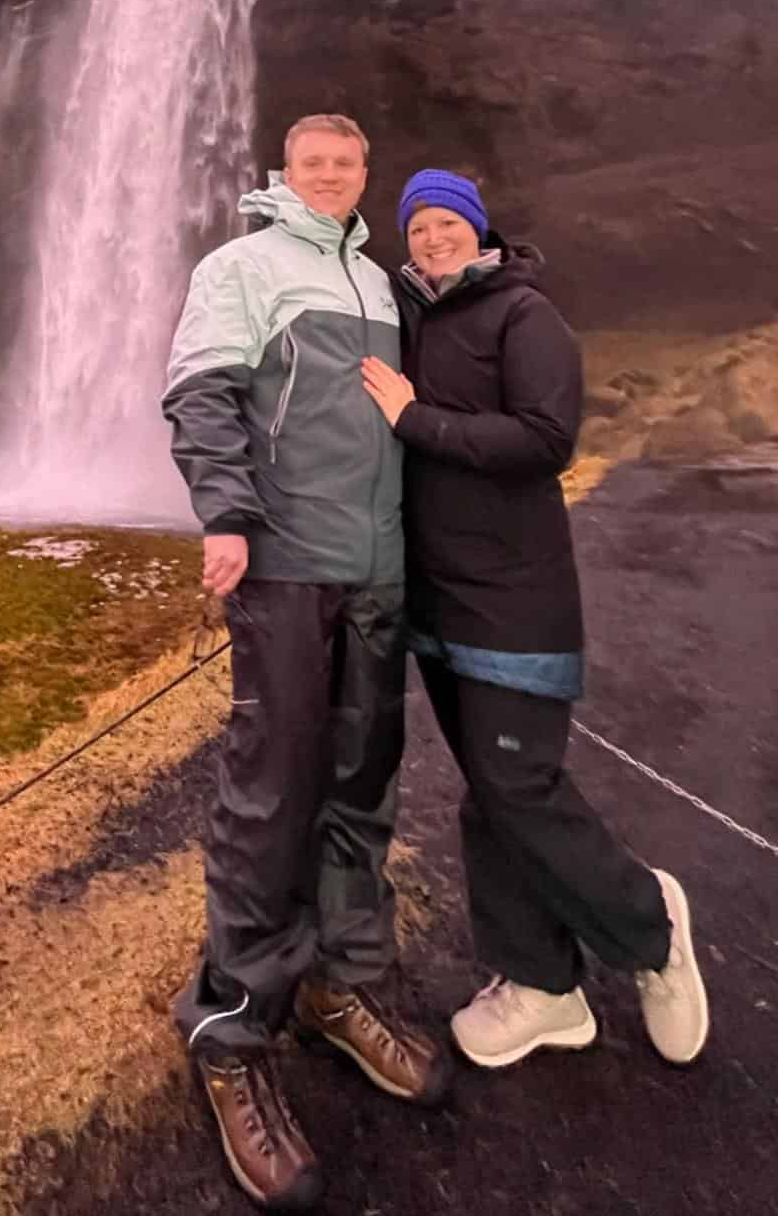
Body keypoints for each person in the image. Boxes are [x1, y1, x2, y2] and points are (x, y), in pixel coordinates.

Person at [162, 115, 451, 1214]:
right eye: (311, 163)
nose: (329, 176)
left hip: (374, 573)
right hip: (285, 569)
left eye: (346, 163)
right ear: (285, 173)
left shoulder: (382, 284)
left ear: (364, 174)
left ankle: (337, 983)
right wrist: (226, 515)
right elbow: (199, 392)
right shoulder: (240, 264)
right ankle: (232, 1029)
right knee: (269, 797)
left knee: (359, 789)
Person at [360, 168, 710, 1070]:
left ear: (479, 230)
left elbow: (545, 439)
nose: (432, 236)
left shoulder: (524, 316)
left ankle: (648, 923)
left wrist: (414, 418)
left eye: (447, 221)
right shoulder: (409, 315)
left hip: (514, 595)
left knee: (519, 786)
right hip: (435, 597)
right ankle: (542, 986)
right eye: (419, 224)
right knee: (490, 795)